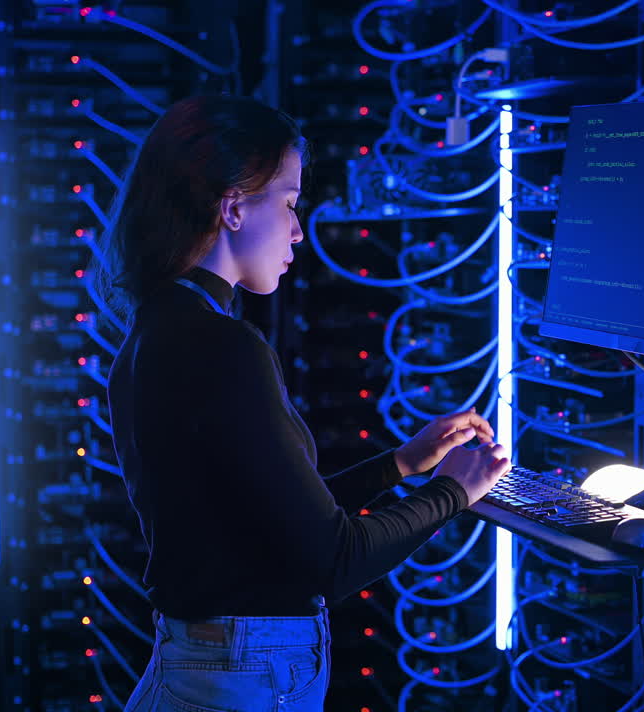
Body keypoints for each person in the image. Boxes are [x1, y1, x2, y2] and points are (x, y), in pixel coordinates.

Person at [97, 95, 511, 711]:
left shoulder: (163, 327)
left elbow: (270, 526)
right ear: (234, 207)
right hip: (237, 682)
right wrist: (454, 491)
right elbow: (331, 560)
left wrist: (398, 465)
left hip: (209, 671)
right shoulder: (221, 346)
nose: (297, 230)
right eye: (289, 203)